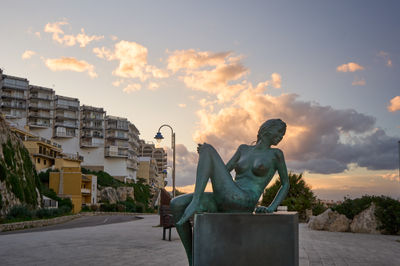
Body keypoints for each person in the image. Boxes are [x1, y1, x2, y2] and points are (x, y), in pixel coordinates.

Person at [170, 119, 290, 265]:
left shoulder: (276, 154)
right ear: (267, 130)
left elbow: (285, 184)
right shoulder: (243, 149)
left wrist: (271, 208)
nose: (281, 137)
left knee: (207, 149)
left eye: (283, 134)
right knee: (176, 203)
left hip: (245, 199)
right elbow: (224, 172)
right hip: (229, 194)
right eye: (279, 132)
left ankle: (196, 201)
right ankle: (192, 261)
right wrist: (209, 162)